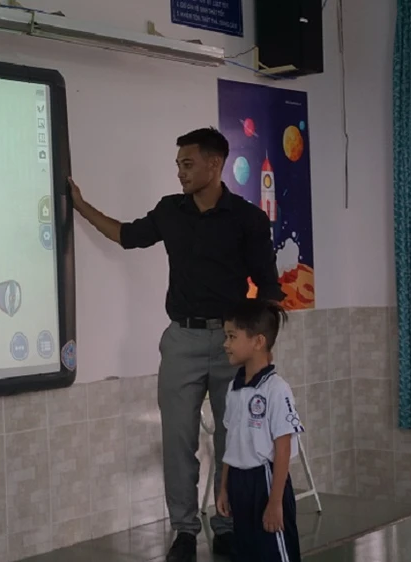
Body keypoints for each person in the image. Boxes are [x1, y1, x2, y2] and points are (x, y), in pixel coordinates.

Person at [69, 127, 283, 561]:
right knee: (177, 441)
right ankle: (184, 531)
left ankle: (226, 527)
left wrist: (258, 350)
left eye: (188, 164)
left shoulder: (247, 219)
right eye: (178, 165)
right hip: (181, 339)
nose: (181, 173)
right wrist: (80, 205)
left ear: (215, 165)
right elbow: (126, 235)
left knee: (233, 439)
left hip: (233, 343)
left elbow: (269, 289)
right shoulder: (171, 211)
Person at [216, 299, 302, 562]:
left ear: (258, 341)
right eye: (226, 336)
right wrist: (224, 488)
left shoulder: (276, 389)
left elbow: (283, 449)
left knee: (274, 552)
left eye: (232, 337)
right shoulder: (234, 388)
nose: (225, 344)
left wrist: (275, 502)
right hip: (238, 483)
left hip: (265, 482)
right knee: (248, 552)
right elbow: (231, 442)